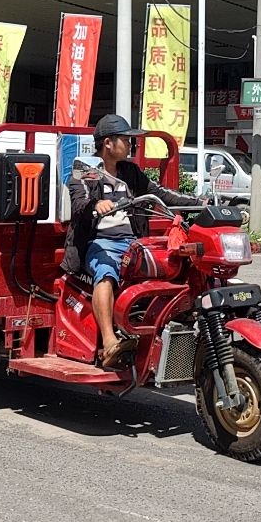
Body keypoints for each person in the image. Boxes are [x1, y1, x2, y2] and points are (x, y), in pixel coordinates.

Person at [62, 114, 191, 367]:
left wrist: (199, 203)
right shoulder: (85, 169)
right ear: (108, 143)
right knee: (106, 272)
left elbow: (160, 194)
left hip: (132, 242)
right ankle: (110, 343)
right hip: (99, 242)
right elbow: (78, 202)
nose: (131, 144)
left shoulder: (130, 171)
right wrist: (96, 204)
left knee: (173, 268)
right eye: (126, 139)